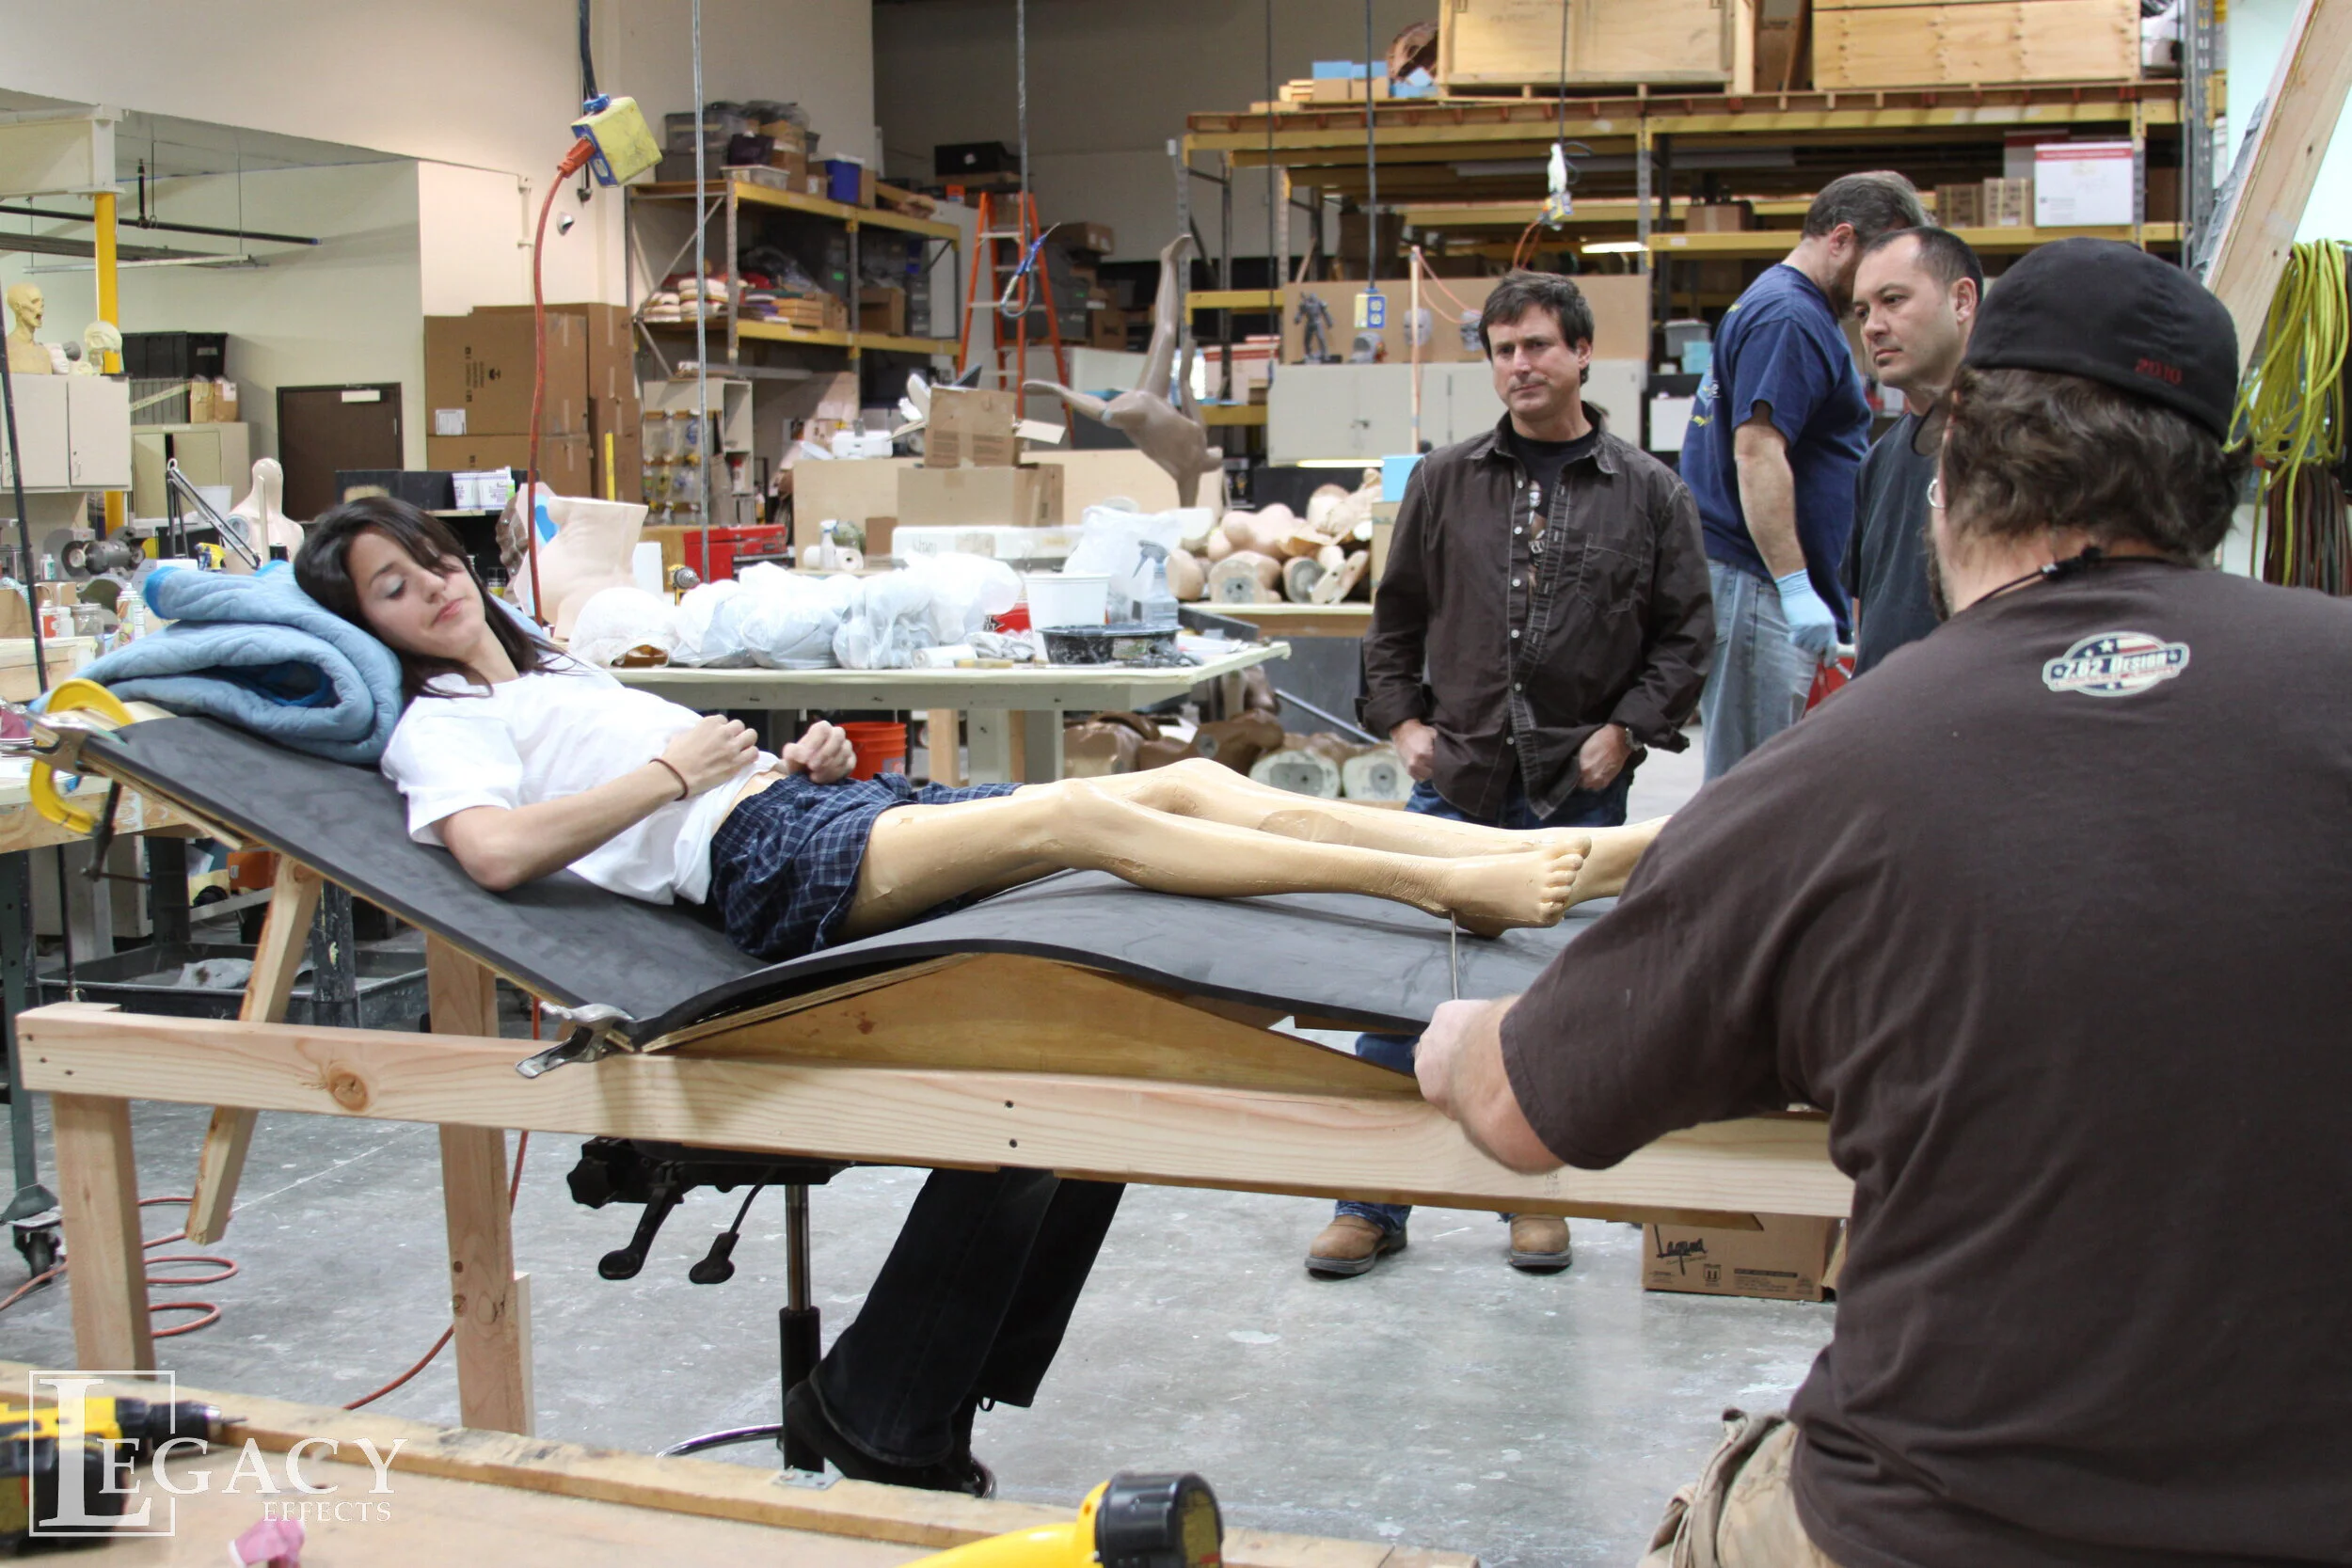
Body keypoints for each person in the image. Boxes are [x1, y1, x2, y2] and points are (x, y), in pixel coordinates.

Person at [294, 497, 1670, 1492]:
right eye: (392, 589)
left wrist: (791, 756)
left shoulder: (551, 667)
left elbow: (668, 787)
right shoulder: (441, 728)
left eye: (430, 559)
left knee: (1184, 782)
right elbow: (497, 850)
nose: (433, 588)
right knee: (1090, 820)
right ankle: (1456, 886)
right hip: (768, 869)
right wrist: (677, 774)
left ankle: (1507, 857)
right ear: (367, 629)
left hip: (803, 811)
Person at [1410, 238, 2352, 1565]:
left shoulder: (1841, 768)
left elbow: (1520, 1111)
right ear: (2217, 486)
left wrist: (1458, 1034)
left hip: (1940, 1523)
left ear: (1950, 464)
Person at [1331, 269, 1712, 1280]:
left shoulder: (1649, 492)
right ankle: (1370, 1200)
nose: (1519, 365)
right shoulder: (1445, 480)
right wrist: (1402, 724)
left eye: (1538, 345)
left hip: (1574, 786)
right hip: (1453, 773)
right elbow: (1394, 619)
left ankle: (1534, 1197)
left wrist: (1625, 733)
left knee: (1551, 998)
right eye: (1503, 350)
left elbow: (1685, 638)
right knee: (1403, 990)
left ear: (1582, 353)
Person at [1680, 172, 1926, 777]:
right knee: (1753, 788)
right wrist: (1794, 587)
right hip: (1760, 586)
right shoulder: (1789, 317)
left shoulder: (1784, 306)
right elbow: (1757, 451)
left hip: (1761, 584)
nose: (1878, 283)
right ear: (1840, 239)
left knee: (1777, 785)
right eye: (1877, 259)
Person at [1840, 226, 1980, 674]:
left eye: (1893, 300)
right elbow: (1868, 611)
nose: (1872, 327)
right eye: (1862, 312)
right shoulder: (1879, 461)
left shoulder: (2015, 444)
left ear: (1962, 301)